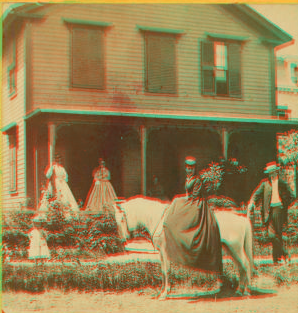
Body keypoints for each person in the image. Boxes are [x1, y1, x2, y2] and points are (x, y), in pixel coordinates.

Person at [161, 156, 223, 275]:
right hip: (189, 200)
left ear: (195, 169)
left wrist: (181, 198)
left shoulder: (197, 180)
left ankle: (184, 234)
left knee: (176, 201)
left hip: (197, 203)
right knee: (176, 201)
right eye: (188, 168)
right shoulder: (188, 178)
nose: (189, 170)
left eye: (192, 168)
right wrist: (182, 198)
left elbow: (194, 196)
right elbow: (186, 193)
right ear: (186, 168)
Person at [247, 161, 294, 265]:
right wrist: (252, 202)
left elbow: (292, 196)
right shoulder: (264, 183)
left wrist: (284, 205)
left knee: (278, 235)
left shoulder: (282, 183)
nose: (271, 175)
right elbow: (256, 194)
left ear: (277, 172)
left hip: (279, 211)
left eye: (273, 172)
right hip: (269, 212)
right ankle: (285, 254)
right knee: (272, 235)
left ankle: (276, 260)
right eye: (270, 173)